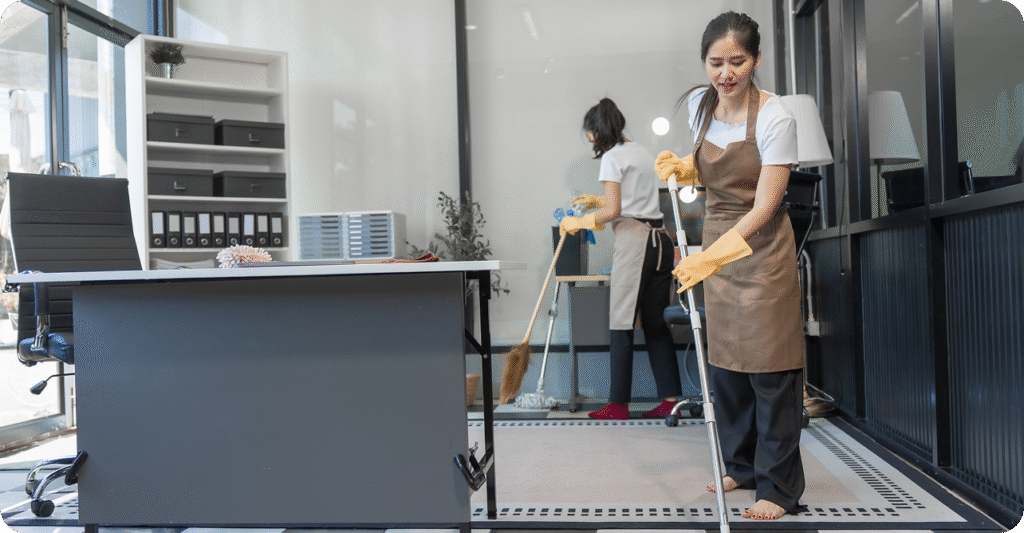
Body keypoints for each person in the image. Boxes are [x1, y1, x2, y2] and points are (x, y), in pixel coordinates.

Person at [655, 11, 806, 521]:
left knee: (770, 369)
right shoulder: (701, 106)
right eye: (716, 62)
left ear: (756, 59)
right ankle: (741, 467)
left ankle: (779, 489)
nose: (726, 72)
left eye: (737, 61)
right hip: (716, 241)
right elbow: (707, 178)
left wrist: (712, 256)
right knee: (727, 369)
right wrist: (685, 170)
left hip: (762, 250)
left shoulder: (775, 115)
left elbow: (764, 206)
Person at [559, 98, 683, 421]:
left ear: (598, 132)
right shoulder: (642, 152)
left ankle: (617, 404)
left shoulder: (612, 158)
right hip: (660, 242)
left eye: (590, 136)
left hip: (634, 242)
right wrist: (596, 199)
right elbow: (634, 199)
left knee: (621, 322)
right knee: (656, 324)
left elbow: (615, 212)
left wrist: (581, 222)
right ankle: (671, 401)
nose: (590, 142)